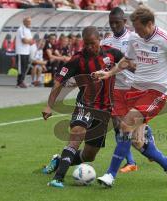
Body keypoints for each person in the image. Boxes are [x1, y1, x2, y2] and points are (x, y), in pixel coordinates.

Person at [95, 7, 167, 187]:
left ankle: (110, 175)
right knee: (137, 141)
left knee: (125, 125)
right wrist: (109, 73)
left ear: (150, 24)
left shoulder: (166, 39)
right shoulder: (135, 38)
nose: (135, 31)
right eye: (134, 28)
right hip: (135, 90)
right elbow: (127, 61)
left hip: (156, 93)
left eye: (138, 28)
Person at [42, 26, 124, 188]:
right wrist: (48, 106)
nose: (89, 47)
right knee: (76, 137)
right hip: (85, 105)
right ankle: (58, 179)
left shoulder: (112, 53)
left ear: (99, 41)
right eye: (86, 44)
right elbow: (59, 82)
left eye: (92, 43)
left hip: (104, 111)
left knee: (89, 155)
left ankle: (58, 161)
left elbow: (129, 62)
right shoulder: (77, 59)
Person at [101, 7, 152, 173]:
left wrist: (125, 65)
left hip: (135, 87)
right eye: (111, 23)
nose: (114, 25)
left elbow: (141, 65)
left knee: (133, 127)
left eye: (117, 22)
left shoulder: (135, 38)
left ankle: (149, 145)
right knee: (118, 124)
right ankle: (130, 161)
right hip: (116, 89)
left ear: (124, 22)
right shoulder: (105, 42)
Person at [15, 17, 33, 88]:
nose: (30, 23)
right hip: (20, 51)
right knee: (21, 68)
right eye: (28, 21)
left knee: (25, 67)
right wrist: (29, 41)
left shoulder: (28, 30)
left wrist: (29, 41)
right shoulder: (21, 29)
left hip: (26, 52)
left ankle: (22, 81)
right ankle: (19, 82)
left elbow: (31, 41)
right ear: (24, 22)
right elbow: (24, 41)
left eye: (30, 22)